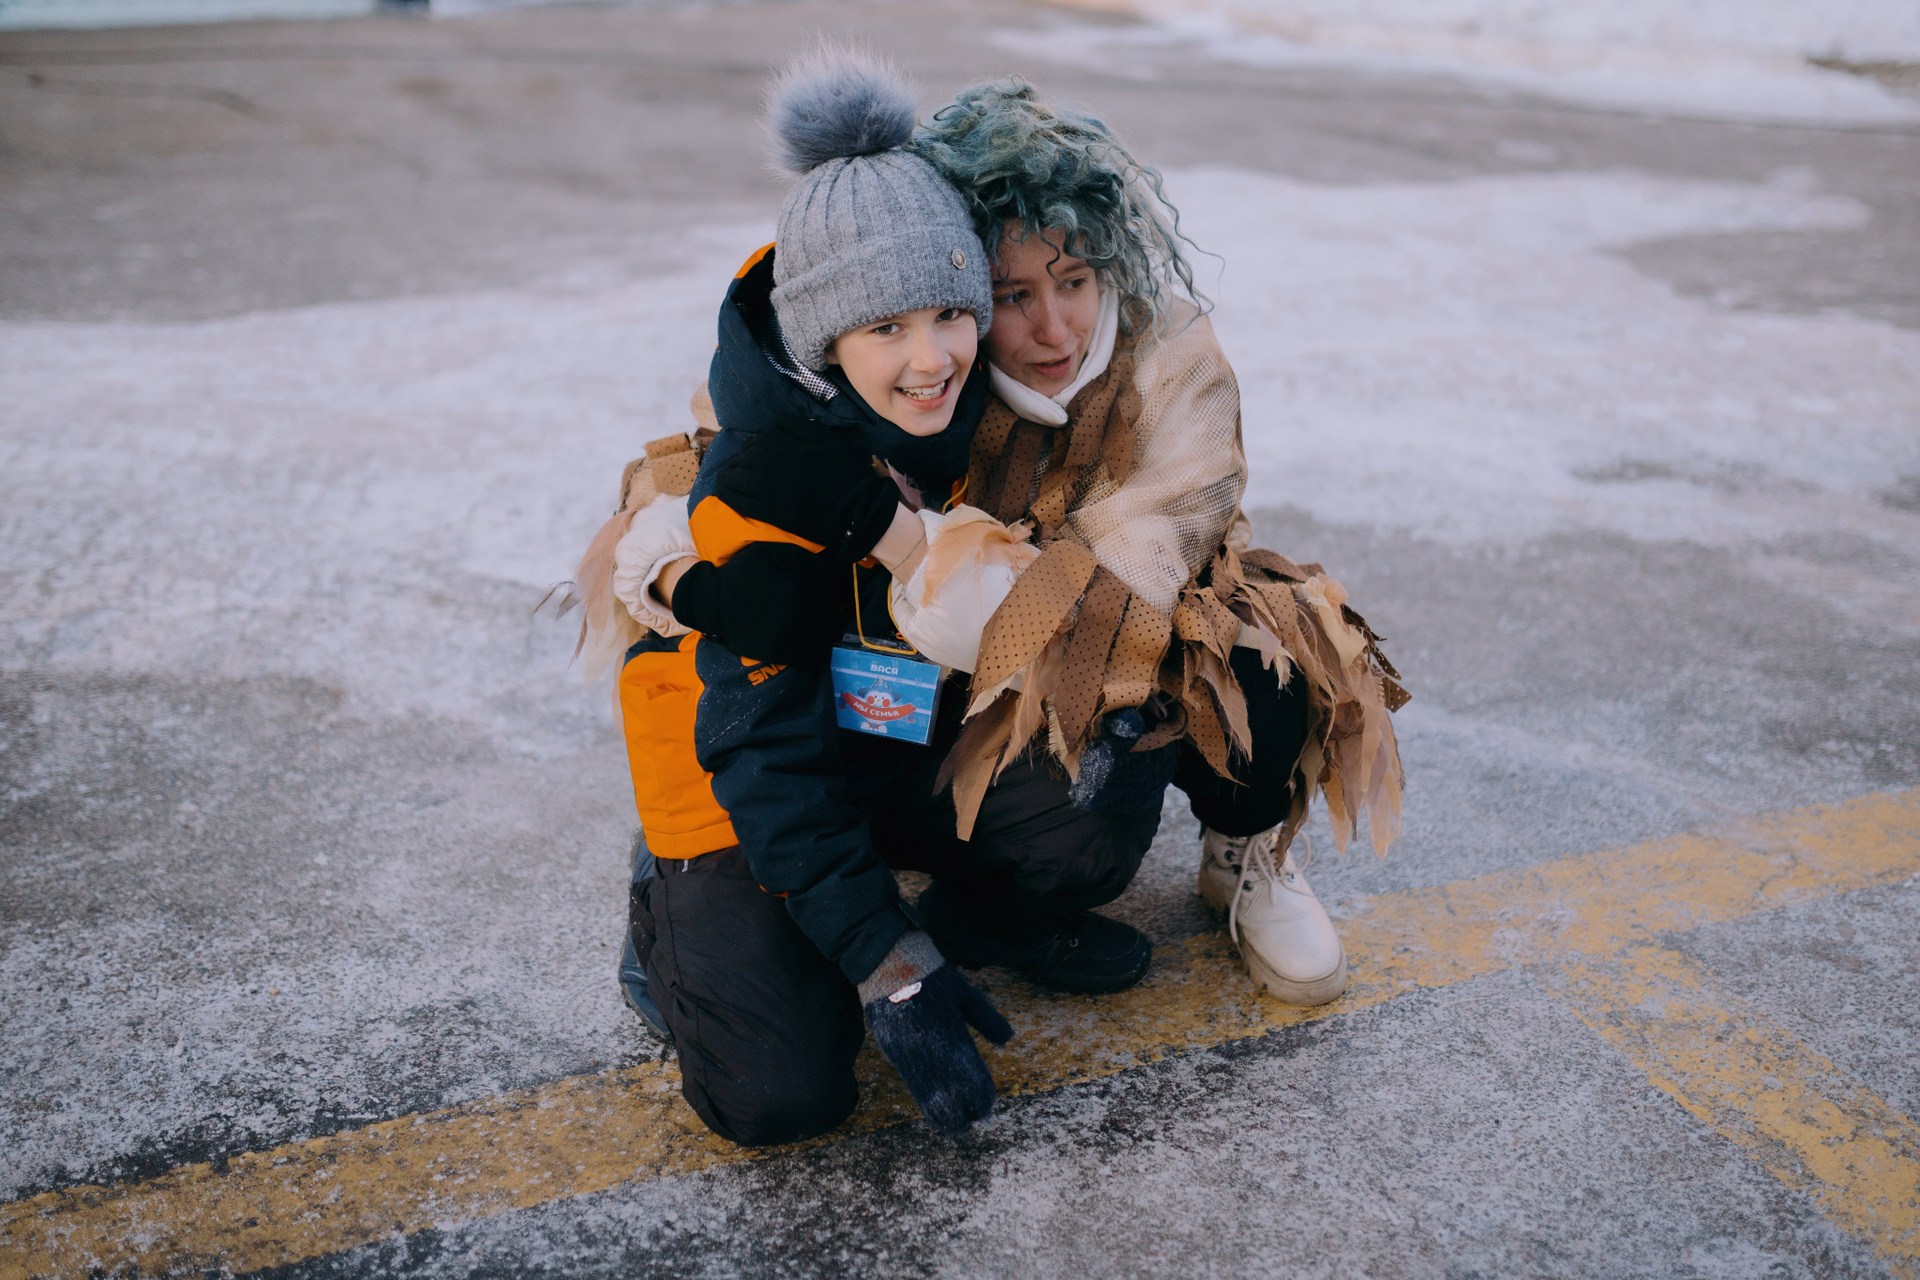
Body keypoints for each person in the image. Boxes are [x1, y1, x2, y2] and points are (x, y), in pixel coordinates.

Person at [569, 63, 1407, 1147]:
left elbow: (1101, 592)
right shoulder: (794, 439)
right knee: (782, 1092)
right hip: (747, 765)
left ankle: (1029, 902)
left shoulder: (1065, 385)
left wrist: (894, 533)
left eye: (1071, 281)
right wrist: (675, 572)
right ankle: (676, 914)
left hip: (907, 720)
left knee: (1150, 740)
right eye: (1012, 296)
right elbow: (710, 552)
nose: (1043, 329)